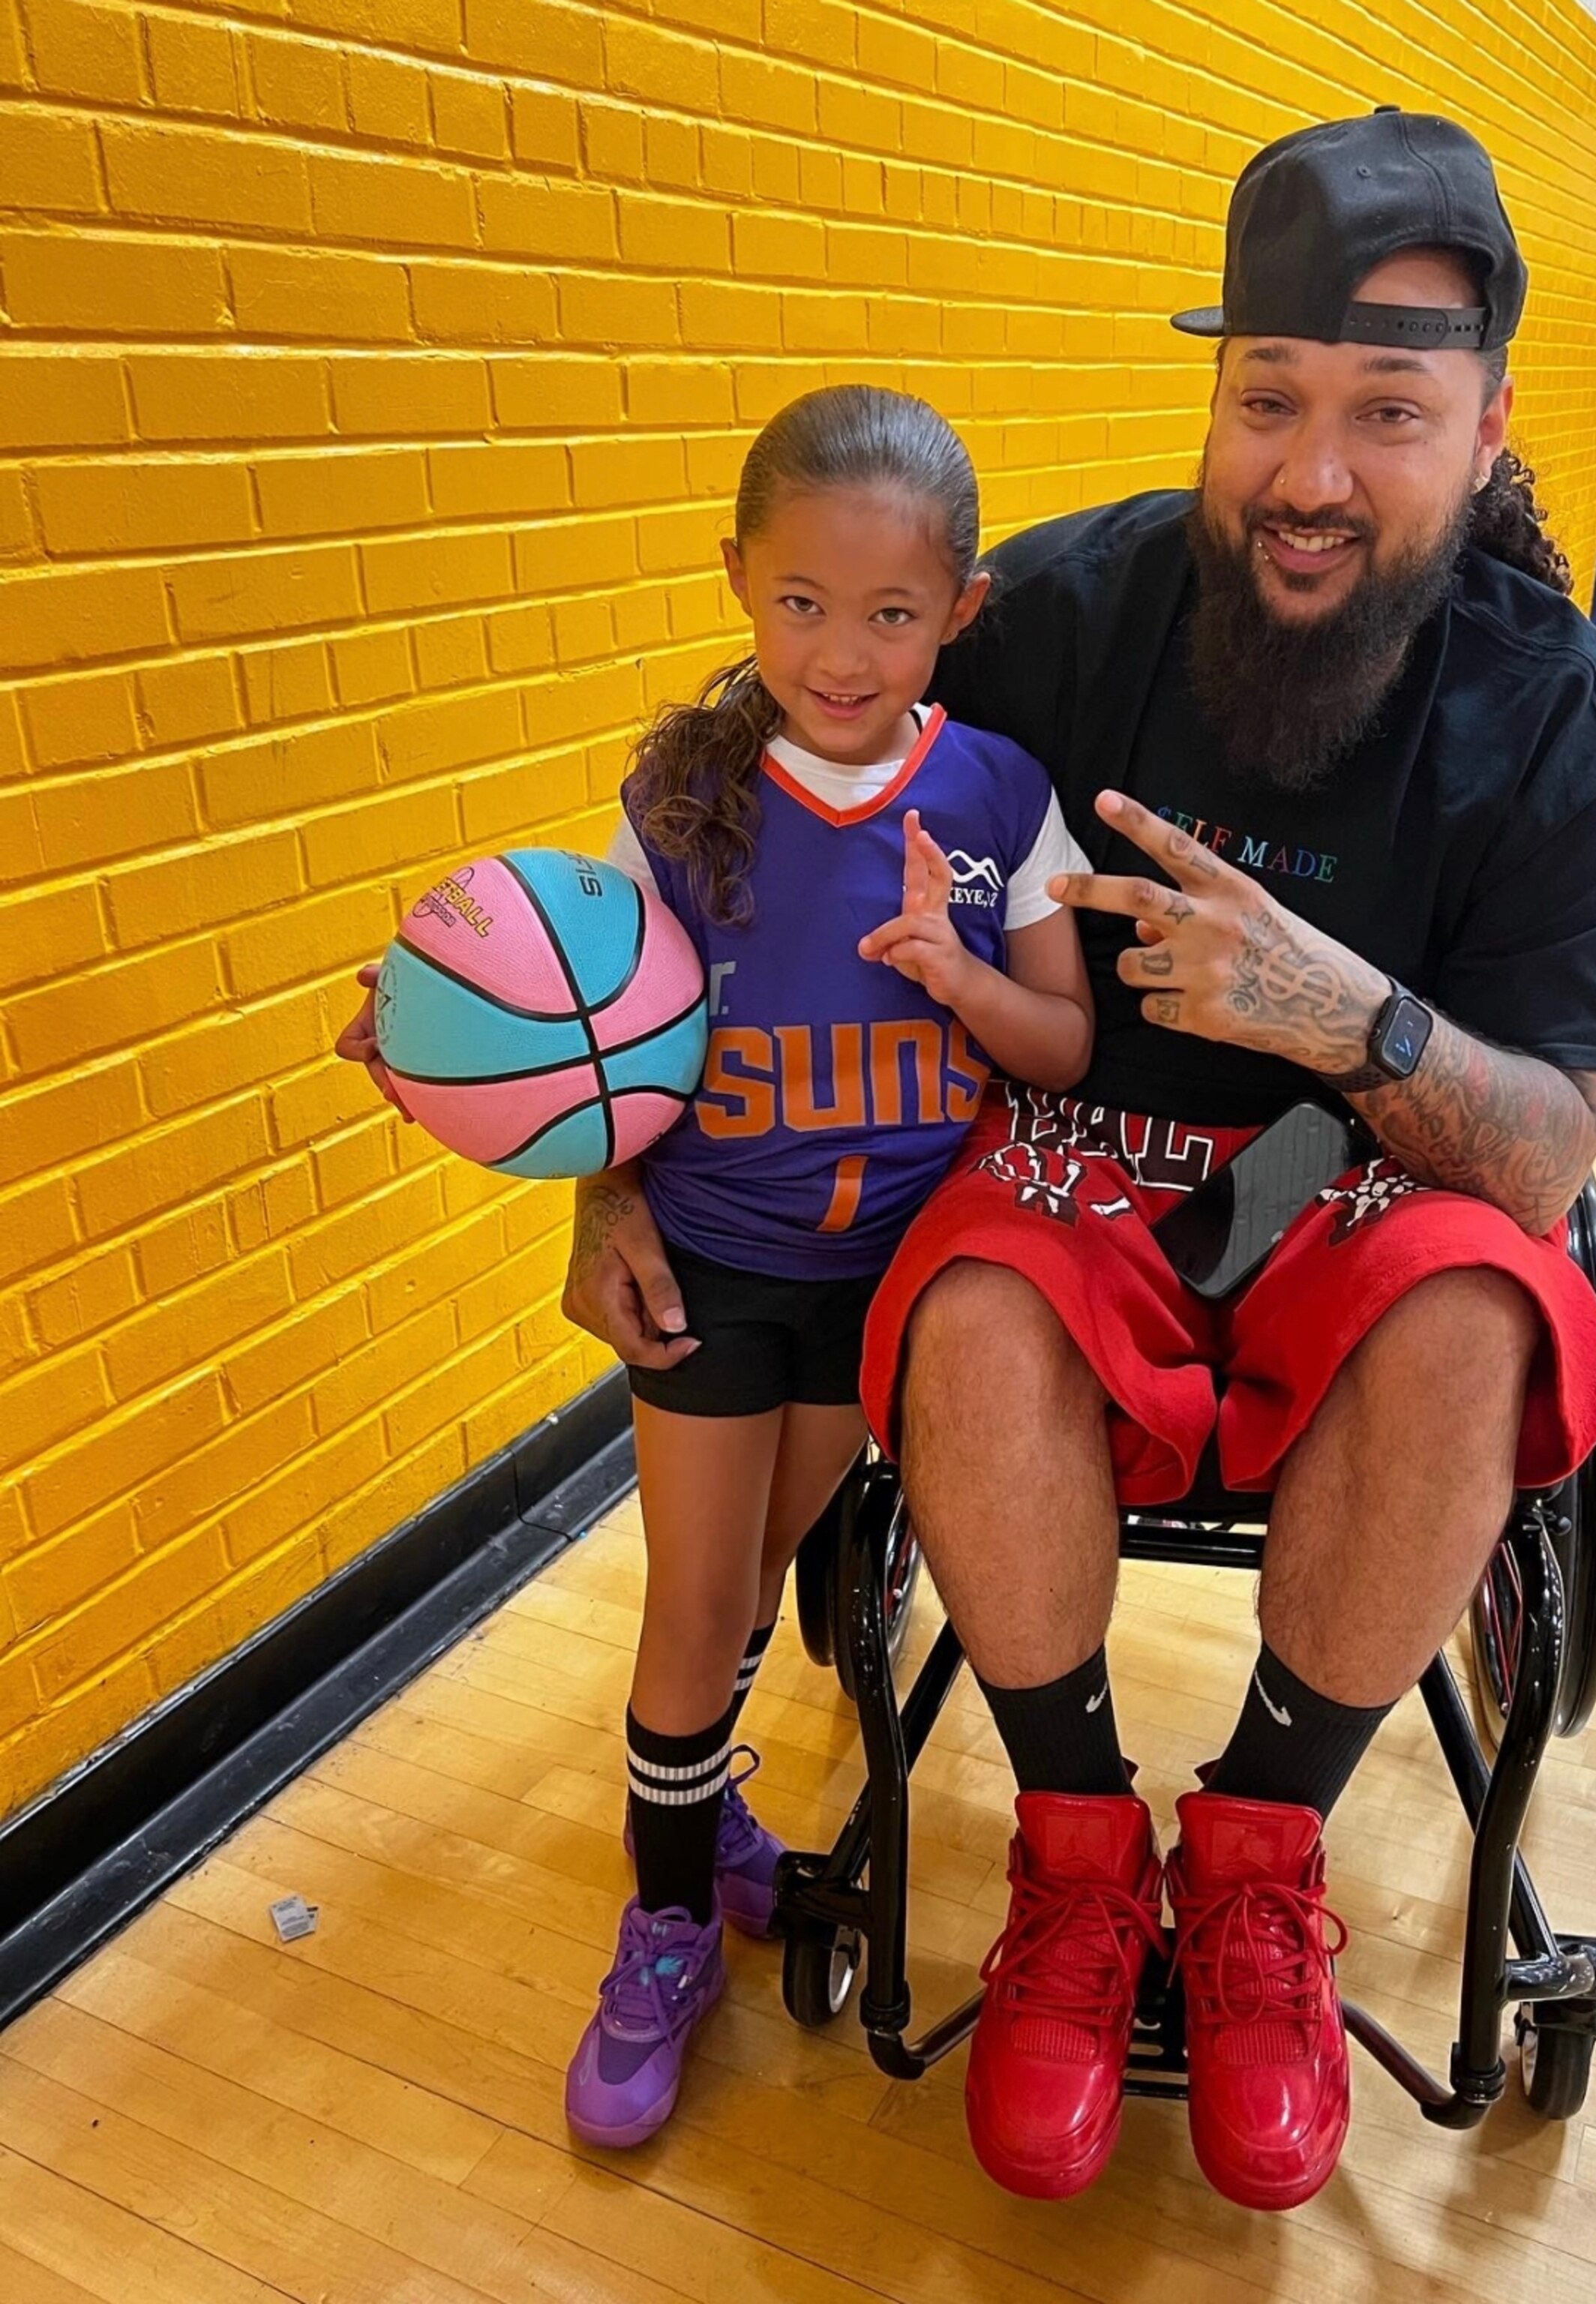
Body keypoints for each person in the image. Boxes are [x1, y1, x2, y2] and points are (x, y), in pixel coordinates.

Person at [570, 111, 1596, 2210]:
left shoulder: (1566, 731)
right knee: (973, 1296)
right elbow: (752, 780)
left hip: (1378, 1206)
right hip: (1080, 1166)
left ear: (1488, 421)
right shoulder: (1062, 614)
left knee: (1474, 1304)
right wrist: (595, 1149)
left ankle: (1255, 1859)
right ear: (1214, 396)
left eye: (1385, 412)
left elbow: (1542, 1159)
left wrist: (1331, 1012)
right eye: (1266, 402)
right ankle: (1076, 1854)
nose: (1311, 472)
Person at [340, 385, 1094, 2148]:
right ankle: (665, 1913)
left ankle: (709, 1816)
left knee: (754, 1576)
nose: (840, 649)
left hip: (884, 1284)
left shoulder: (998, 794)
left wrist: (956, 970)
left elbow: (1058, 1042)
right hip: (714, 1263)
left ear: (957, 612)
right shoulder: (677, 796)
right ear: (740, 582)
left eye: (892, 611)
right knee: (694, 1602)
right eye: (800, 601)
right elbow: (583, 1041)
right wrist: (454, 1055)